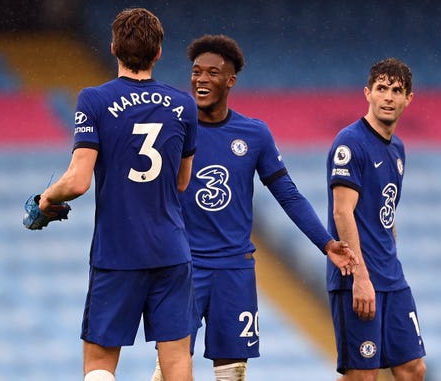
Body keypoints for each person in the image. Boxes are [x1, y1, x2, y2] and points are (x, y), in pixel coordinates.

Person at [151, 34, 358, 381]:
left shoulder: (254, 134)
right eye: (196, 71)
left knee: (232, 373)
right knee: (169, 368)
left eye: (212, 73)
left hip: (234, 269)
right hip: (182, 266)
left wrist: (325, 243)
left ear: (230, 80)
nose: (201, 79)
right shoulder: (172, 128)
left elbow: (288, 195)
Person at [38, 8, 198, 381]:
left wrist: (47, 197)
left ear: (113, 48)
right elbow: (181, 182)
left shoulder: (94, 100)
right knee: (176, 363)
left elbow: (77, 181)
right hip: (170, 252)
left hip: (117, 252)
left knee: (99, 366)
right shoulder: (183, 105)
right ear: (158, 53)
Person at [326, 58, 427, 380]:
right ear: (368, 93)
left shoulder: (397, 149)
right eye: (382, 89)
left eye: (397, 91)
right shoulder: (351, 142)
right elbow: (342, 211)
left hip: (391, 277)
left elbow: (386, 211)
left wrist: (389, 253)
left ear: (408, 99)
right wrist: (361, 278)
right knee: (362, 375)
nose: (388, 97)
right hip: (357, 277)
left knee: (413, 369)